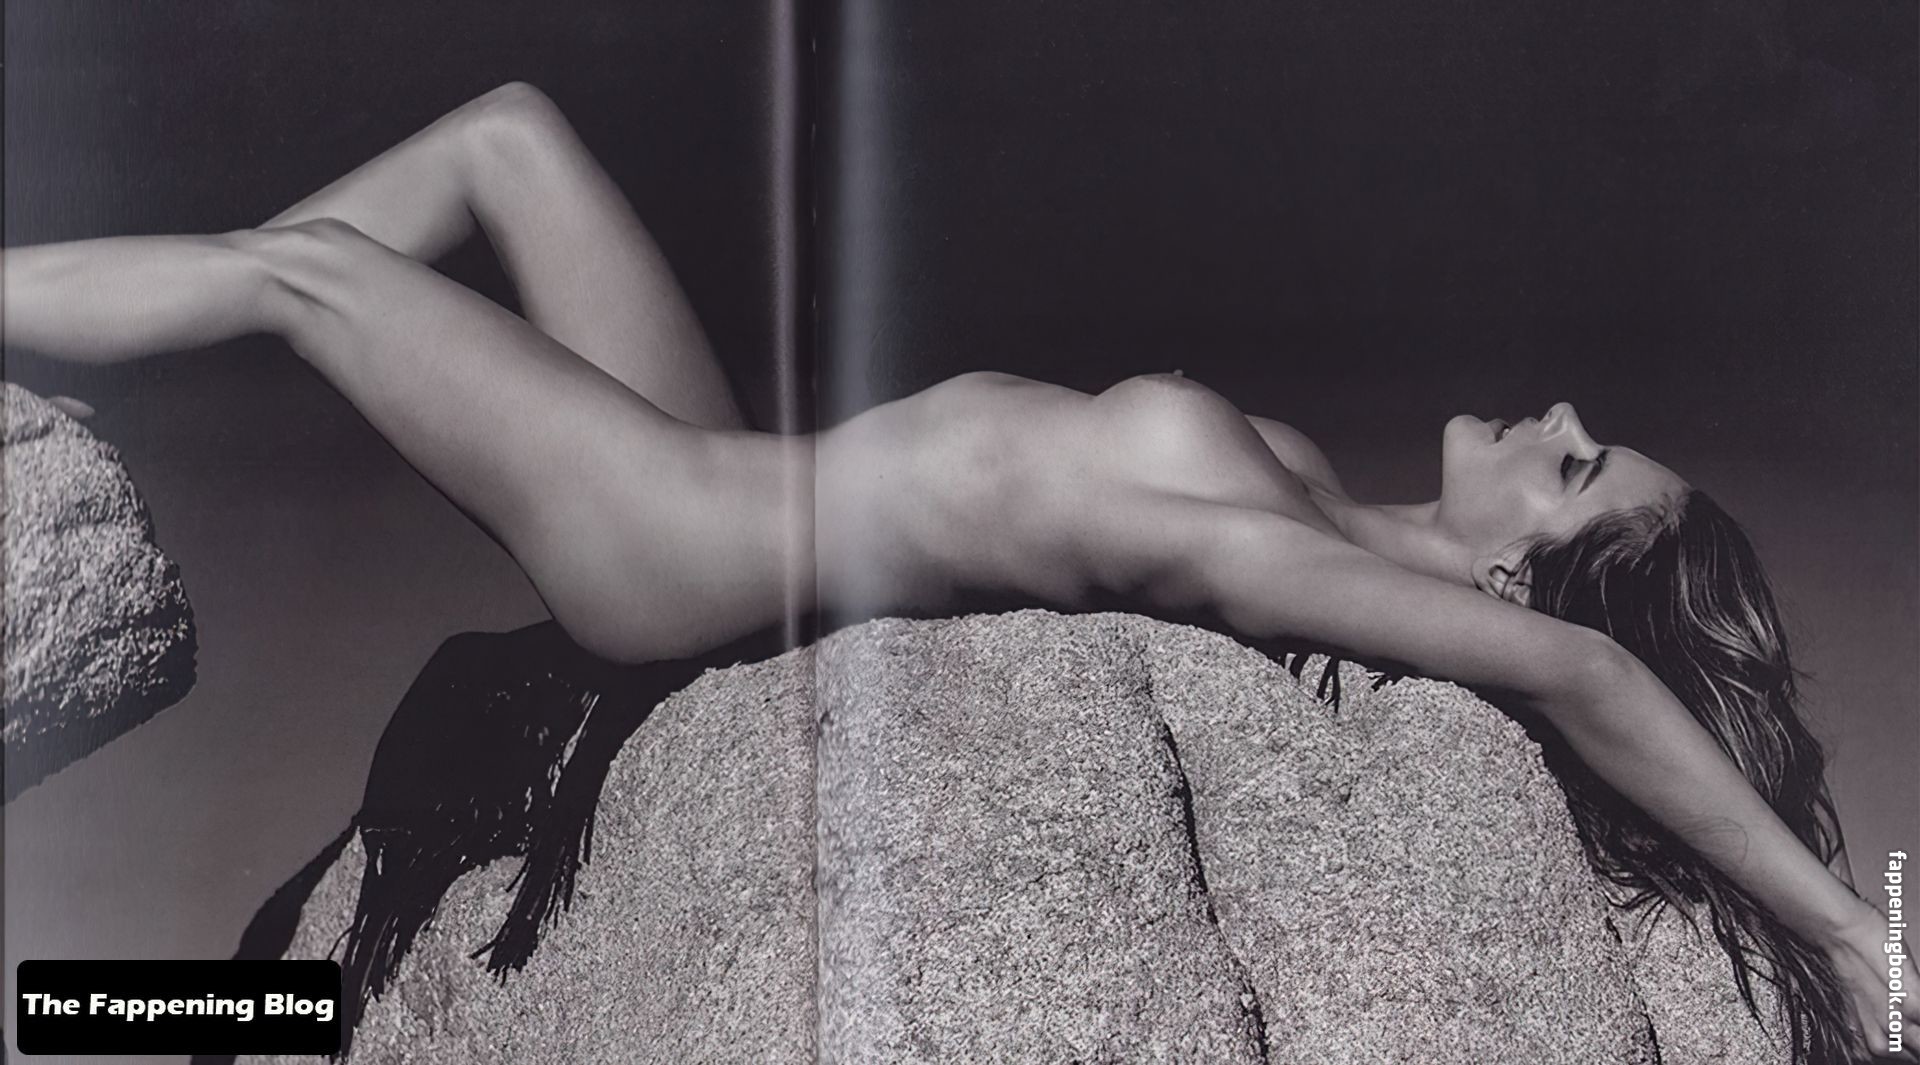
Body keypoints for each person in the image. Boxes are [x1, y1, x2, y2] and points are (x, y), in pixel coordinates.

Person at [5, 83, 1911, 1062]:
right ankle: (80, 381)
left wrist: (1843, 932)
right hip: (725, 468)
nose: (1560, 416)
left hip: (667, 546)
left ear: (1512, 588)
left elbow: (1594, 679)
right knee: (510, 139)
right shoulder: (1317, 494)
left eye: (1577, 473)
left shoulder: (1297, 565)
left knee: (313, 280)